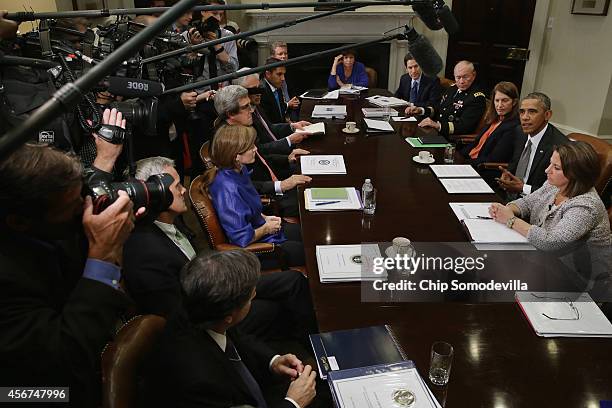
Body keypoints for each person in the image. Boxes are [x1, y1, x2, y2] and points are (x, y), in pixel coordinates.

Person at [0, 110, 137, 408]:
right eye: (72, 207)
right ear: (19, 221)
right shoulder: (7, 277)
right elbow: (64, 354)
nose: (82, 208)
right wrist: (102, 254)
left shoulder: (48, 225)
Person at [144, 250, 317, 408]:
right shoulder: (200, 381)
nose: (255, 295)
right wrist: (294, 403)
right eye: (250, 298)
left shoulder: (199, 309)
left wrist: (273, 361)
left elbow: (237, 339)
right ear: (229, 316)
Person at [489, 142, 611, 294]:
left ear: (576, 173)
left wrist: (511, 220)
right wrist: (507, 210)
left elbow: (551, 242)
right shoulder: (554, 184)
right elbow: (528, 203)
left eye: (556, 168)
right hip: (546, 262)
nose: (547, 170)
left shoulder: (586, 206)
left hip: (579, 280)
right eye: (550, 164)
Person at [202, 124, 306, 267]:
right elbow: (240, 238)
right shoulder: (228, 189)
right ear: (236, 156)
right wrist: (266, 228)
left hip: (263, 229)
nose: (255, 149)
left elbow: (251, 205)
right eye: (250, 147)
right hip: (256, 251)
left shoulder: (239, 169)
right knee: (308, 251)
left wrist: (265, 218)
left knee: (307, 232)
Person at [213, 84, 311, 217]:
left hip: (273, 180)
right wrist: (280, 185)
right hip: (264, 200)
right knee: (309, 200)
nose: (252, 110)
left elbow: (261, 155)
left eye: (250, 105)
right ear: (230, 114)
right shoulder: (226, 141)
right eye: (245, 107)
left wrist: (287, 158)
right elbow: (241, 185)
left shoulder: (243, 128)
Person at [496, 92, 568, 197]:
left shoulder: (560, 146)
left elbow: (558, 190)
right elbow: (515, 162)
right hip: (509, 195)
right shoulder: (519, 132)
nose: (525, 117)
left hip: (536, 202)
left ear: (547, 115)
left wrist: (523, 188)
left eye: (532, 112)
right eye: (522, 112)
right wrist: (508, 174)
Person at [410, 60, 486, 136]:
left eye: (465, 77)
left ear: (473, 75)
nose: (461, 81)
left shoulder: (477, 98)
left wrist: (438, 126)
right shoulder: (452, 89)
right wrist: (421, 110)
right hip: (436, 133)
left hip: (451, 139)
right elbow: (439, 109)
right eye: (458, 77)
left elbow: (464, 126)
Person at [460, 81, 521, 177]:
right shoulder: (495, 118)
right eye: (497, 100)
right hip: (469, 162)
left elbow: (494, 158)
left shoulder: (513, 127)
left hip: (481, 169)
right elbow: (476, 143)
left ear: (514, 102)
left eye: (505, 100)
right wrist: (458, 156)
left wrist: (463, 163)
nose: (499, 105)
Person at [270, 41, 301, 120]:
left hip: (292, 108)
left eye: (285, 54)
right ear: (272, 56)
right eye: (280, 54)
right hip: (279, 112)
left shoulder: (290, 70)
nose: (283, 56)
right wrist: (288, 104)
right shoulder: (270, 73)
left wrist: (295, 100)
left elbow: (294, 90)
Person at [260, 57, 294, 123]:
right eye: (279, 74)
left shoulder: (276, 86)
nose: (283, 78)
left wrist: (291, 124)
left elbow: (281, 114)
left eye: (284, 74)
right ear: (268, 74)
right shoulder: (262, 92)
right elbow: (270, 123)